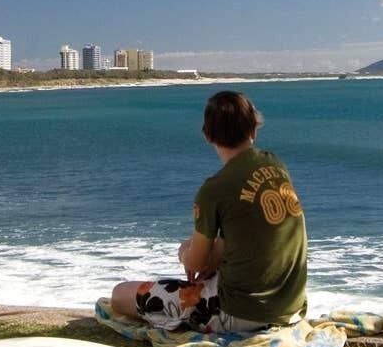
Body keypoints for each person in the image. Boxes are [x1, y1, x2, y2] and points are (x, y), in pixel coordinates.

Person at [110, 91, 307, 334]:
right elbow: (242, 234)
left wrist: (186, 251)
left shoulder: (215, 189)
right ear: (254, 129)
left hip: (241, 313)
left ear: (207, 135)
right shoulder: (274, 163)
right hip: (290, 308)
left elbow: (196, 262)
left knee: (120, 294)